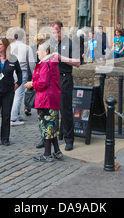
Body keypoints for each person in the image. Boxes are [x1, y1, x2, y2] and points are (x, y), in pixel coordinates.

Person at [24, 42, 62, 162]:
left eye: (39, 50)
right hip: (52, 98)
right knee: (52, 126)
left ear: (46, 52)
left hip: (46, 99)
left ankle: (47, 154)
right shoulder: (51, 62)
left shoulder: (45, 63)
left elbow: (42, 83)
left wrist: (31, 84)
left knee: (46, 126)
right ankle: (57, 151)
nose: (37, 52)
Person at [50, 21, 80, 151]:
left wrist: (61, 58)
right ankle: (49, 136)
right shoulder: (54, 44)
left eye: (56, 32)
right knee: (50, 110)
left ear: (61, 31)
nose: (54, 35)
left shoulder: (70, 44)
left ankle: (69, 139)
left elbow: (78, 62)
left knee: (65, 110)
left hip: (64, 79)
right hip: (53, 79)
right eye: (52, 33)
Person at [10, 30, 35, 126]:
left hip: (10, 72)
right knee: (19, 95)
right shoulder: (26, 47)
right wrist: (34, 75)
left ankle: (16, 113)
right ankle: (13, 118)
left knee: (13, 94)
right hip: (21, 71)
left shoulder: (10, 46)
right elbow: (32, 63)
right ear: (23, 37)